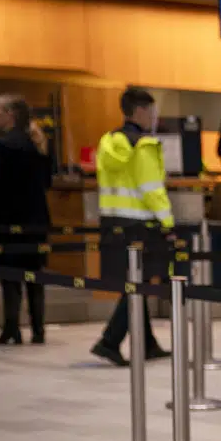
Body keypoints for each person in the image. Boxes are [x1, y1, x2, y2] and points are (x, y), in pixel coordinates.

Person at [90, 86, 171, 367]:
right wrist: (168, 221)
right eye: (152, 111)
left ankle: (147, 343)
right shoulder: (143, 146)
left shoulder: (108, 142)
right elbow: (151, 189)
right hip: (141, 225)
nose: (154, 117)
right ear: (139, 111)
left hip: (112, 222)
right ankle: (109, 341)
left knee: (136, 283)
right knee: (139, 285)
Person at [0, 94, 52, 346]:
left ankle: (11, 327)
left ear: (11, 114)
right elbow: (46, 182)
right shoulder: (39, 144)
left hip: (7, 220)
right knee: (35, 275)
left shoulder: (2, 146)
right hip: (36, 219)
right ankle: (38, 329)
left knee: (10, 276)